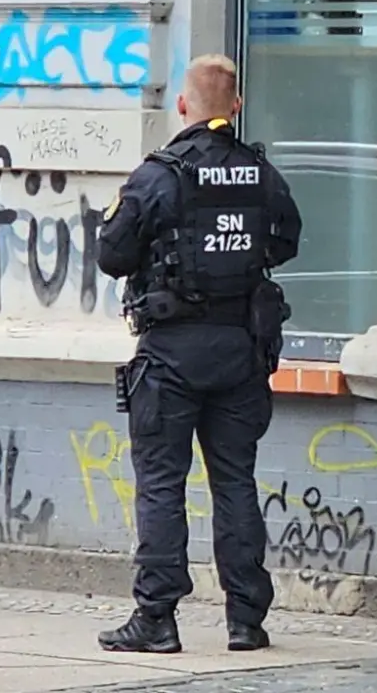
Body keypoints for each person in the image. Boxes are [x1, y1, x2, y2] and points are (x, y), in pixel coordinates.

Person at [94, 54, 303, 654]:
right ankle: (246, 620)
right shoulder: (261, 173)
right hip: (240, 351)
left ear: (182, 106)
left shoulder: (158, 176)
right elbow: (285, 241)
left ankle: (156, 619)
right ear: (235, 107)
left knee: (161, 483)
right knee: (235, 481)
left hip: (171, 353)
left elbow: (112, 254)